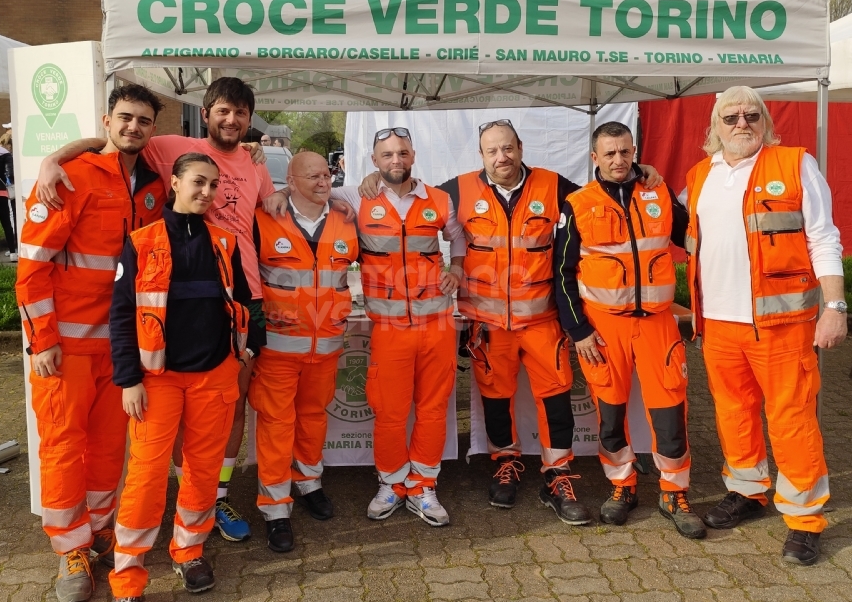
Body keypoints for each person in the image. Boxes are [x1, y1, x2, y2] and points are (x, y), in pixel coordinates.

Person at [35, 77, 274, 544]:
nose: (232, 120)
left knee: (230, 404)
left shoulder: (255, 162)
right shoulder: (168, 147)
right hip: (162, 303)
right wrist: (54, 158)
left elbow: (272, 208)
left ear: (249, 120)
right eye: (223, 110)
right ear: (204, 114)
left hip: (240, 293)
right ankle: (137, 519)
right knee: (155, 415)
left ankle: (211, 496)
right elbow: (116, 139)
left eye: (241, 113)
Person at [351, 119, 593, 524]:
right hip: (488, 323)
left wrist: (642, 175)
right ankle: (506, 464)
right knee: (496, 400)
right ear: (481, 156)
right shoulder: (457, 191)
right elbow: (409, 193)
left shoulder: (553, 185)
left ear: (520, 146)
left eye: (508, 148)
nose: (502, 157)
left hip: (541, 320)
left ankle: (558, 474)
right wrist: (375, 176)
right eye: (492, 151)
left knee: (555, 397)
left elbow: (599, 200)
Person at [14, 85, 167, 602]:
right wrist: (43, 340)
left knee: (107, 448)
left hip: (121, 350)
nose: (133, 127)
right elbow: (32, 267)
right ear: (107, 119)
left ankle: (100, 531)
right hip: (67, 349)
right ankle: (70, 548)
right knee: (62, 446)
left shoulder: (152, 184)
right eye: (125, 118)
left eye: (144, 121)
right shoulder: (70, 178)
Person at [683, 86, 845, 566]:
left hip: (780, 324)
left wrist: (835, 305)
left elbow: (823, 237)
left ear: (765, 121)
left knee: (791, 419)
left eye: (751, 115)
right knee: (733, 413)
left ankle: (804, 519)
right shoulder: (699, 175)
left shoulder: (796, 164)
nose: (740, 123)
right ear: (715, 125)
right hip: (717, 323)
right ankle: (749, 491)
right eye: (729, 116)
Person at [273, 127, 464, 526]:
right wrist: (278, 192)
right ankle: (392, 482)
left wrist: (458, 267)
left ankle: (424, 486)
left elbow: (458, 237)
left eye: (402, 152)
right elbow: (310, 190)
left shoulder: (440, 200)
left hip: (438, 326)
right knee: (390, 413)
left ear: (413, 155)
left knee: (432, 411)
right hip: (390, 328)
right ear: (374, 161)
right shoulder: (354, 197)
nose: (396, 160)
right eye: (387, 155)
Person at [106, 152, 255, 602]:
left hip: (214, 374)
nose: (207, 193)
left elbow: (242, 301)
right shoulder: (142, 242)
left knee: (203, 472)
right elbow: (122, 315)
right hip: (157, 380)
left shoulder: (224, 241)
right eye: (198, 182)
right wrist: (129, 378)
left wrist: (243, 350)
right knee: (146, 479)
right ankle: (127, 582)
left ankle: (189, 551)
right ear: (174, 183)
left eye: (214, 185)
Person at [554, 121, 707, 538]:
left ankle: (673, 493)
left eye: (624, 152)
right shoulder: (577, 204)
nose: (618, 161)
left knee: (671, 414)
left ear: (634, 149)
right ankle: (622, 487)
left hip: (658, 324)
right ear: (595, 158)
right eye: (609, 154)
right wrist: (578, 330)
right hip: (604, 329)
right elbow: (562, 274)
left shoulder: (657, 191)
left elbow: (692, 236)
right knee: (610, 416)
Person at [249, 151, 358, 552]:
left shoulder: (347, 218)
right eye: (310, 176)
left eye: (326, 174)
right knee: (277, 425)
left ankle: (309, 483)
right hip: (278, 350)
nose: (322, 181)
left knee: (313, 418)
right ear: (289, 182)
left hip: (326, 347)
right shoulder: (262, 218)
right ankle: (276, 509)